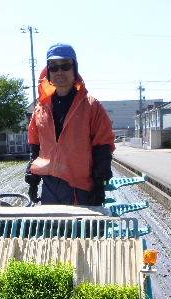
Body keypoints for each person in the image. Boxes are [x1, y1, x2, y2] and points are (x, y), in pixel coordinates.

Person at [26, 43, 116, 206]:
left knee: (81, 231)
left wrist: (99, 185)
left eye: (66, 66)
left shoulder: (91, 107)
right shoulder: (40, 109)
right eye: (54, 67)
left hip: (80, 188)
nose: (60, 71)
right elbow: (35, 147)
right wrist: (33, 180)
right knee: (52, 230)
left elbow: (103, 147)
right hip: (50, 187)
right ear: (48, 72)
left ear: (74, 69)